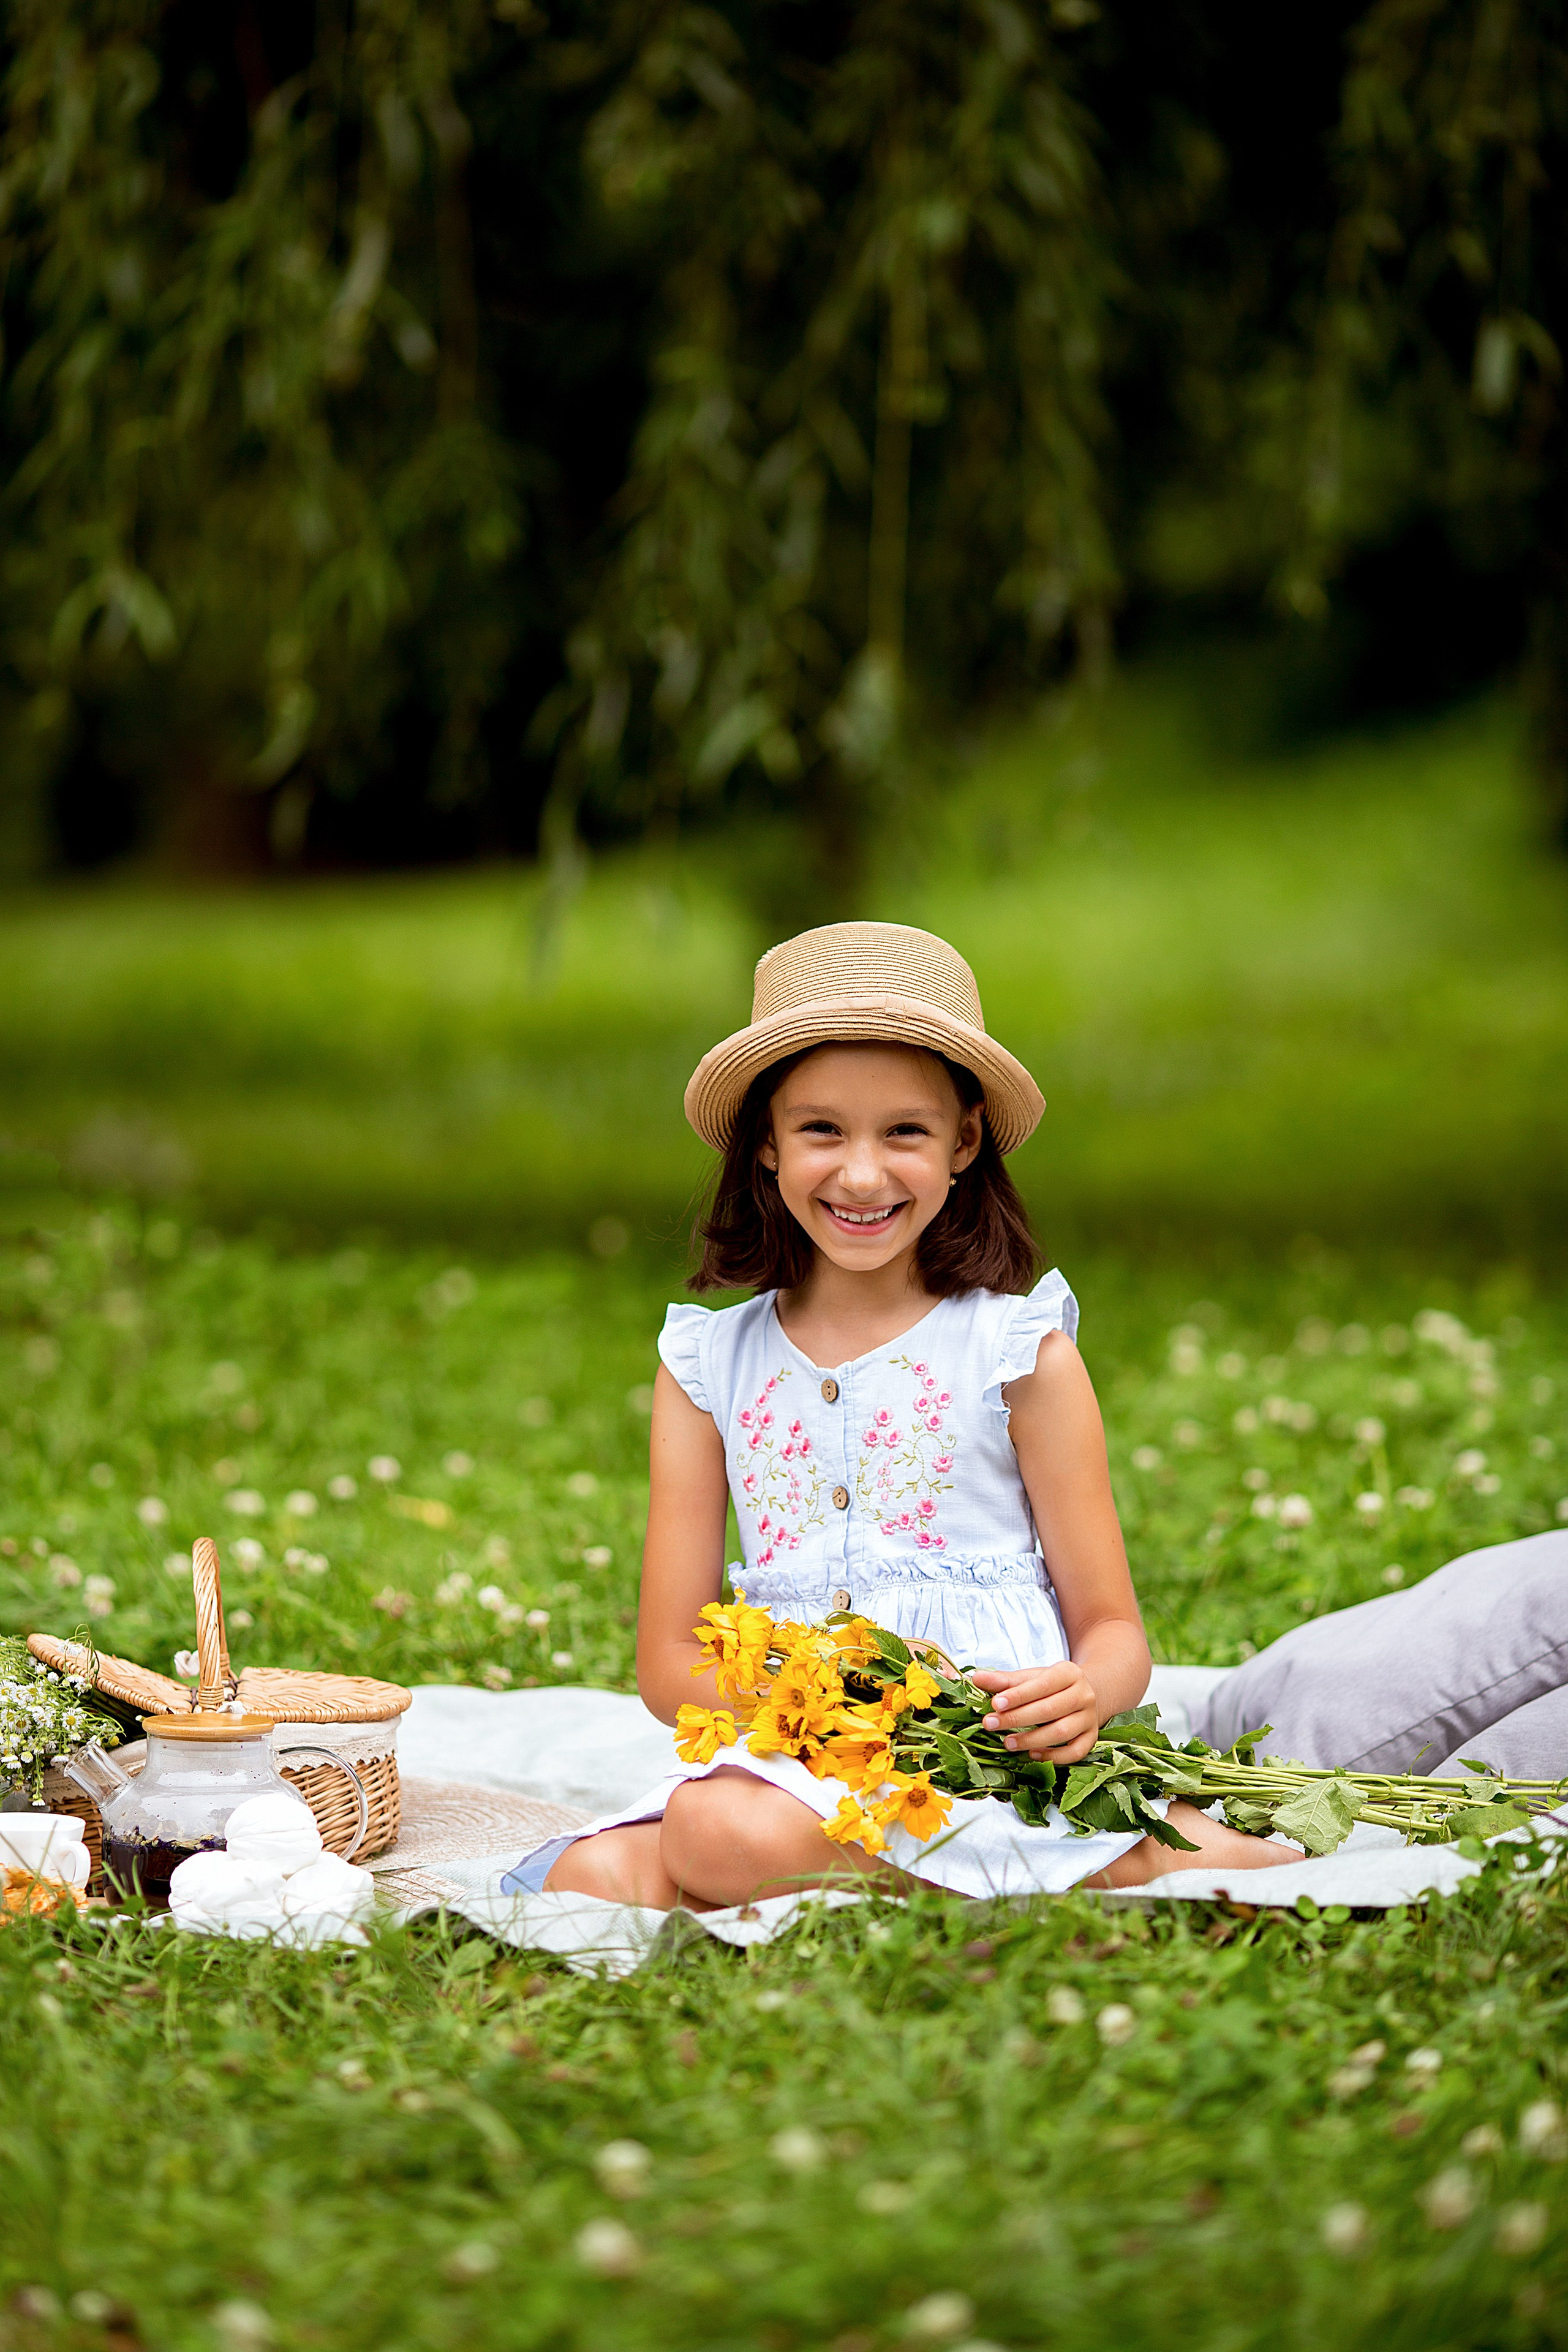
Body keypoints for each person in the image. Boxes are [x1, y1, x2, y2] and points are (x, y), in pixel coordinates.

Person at [507, 921, 1293, 1910]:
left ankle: (1105, 1851)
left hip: (978, 1755)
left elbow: (1114, 1633)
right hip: (793, 1752)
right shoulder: (708, 1365)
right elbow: (670, 1667)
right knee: (592, 1874)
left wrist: (1087, 1694)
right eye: (822, 1130)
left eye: (906, 1132)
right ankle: (1069, 1869)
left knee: (712, 1837)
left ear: (964, 1140)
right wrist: (822, 1707)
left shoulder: (1019, 1352)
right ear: (766, 1140)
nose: (864, 1175)